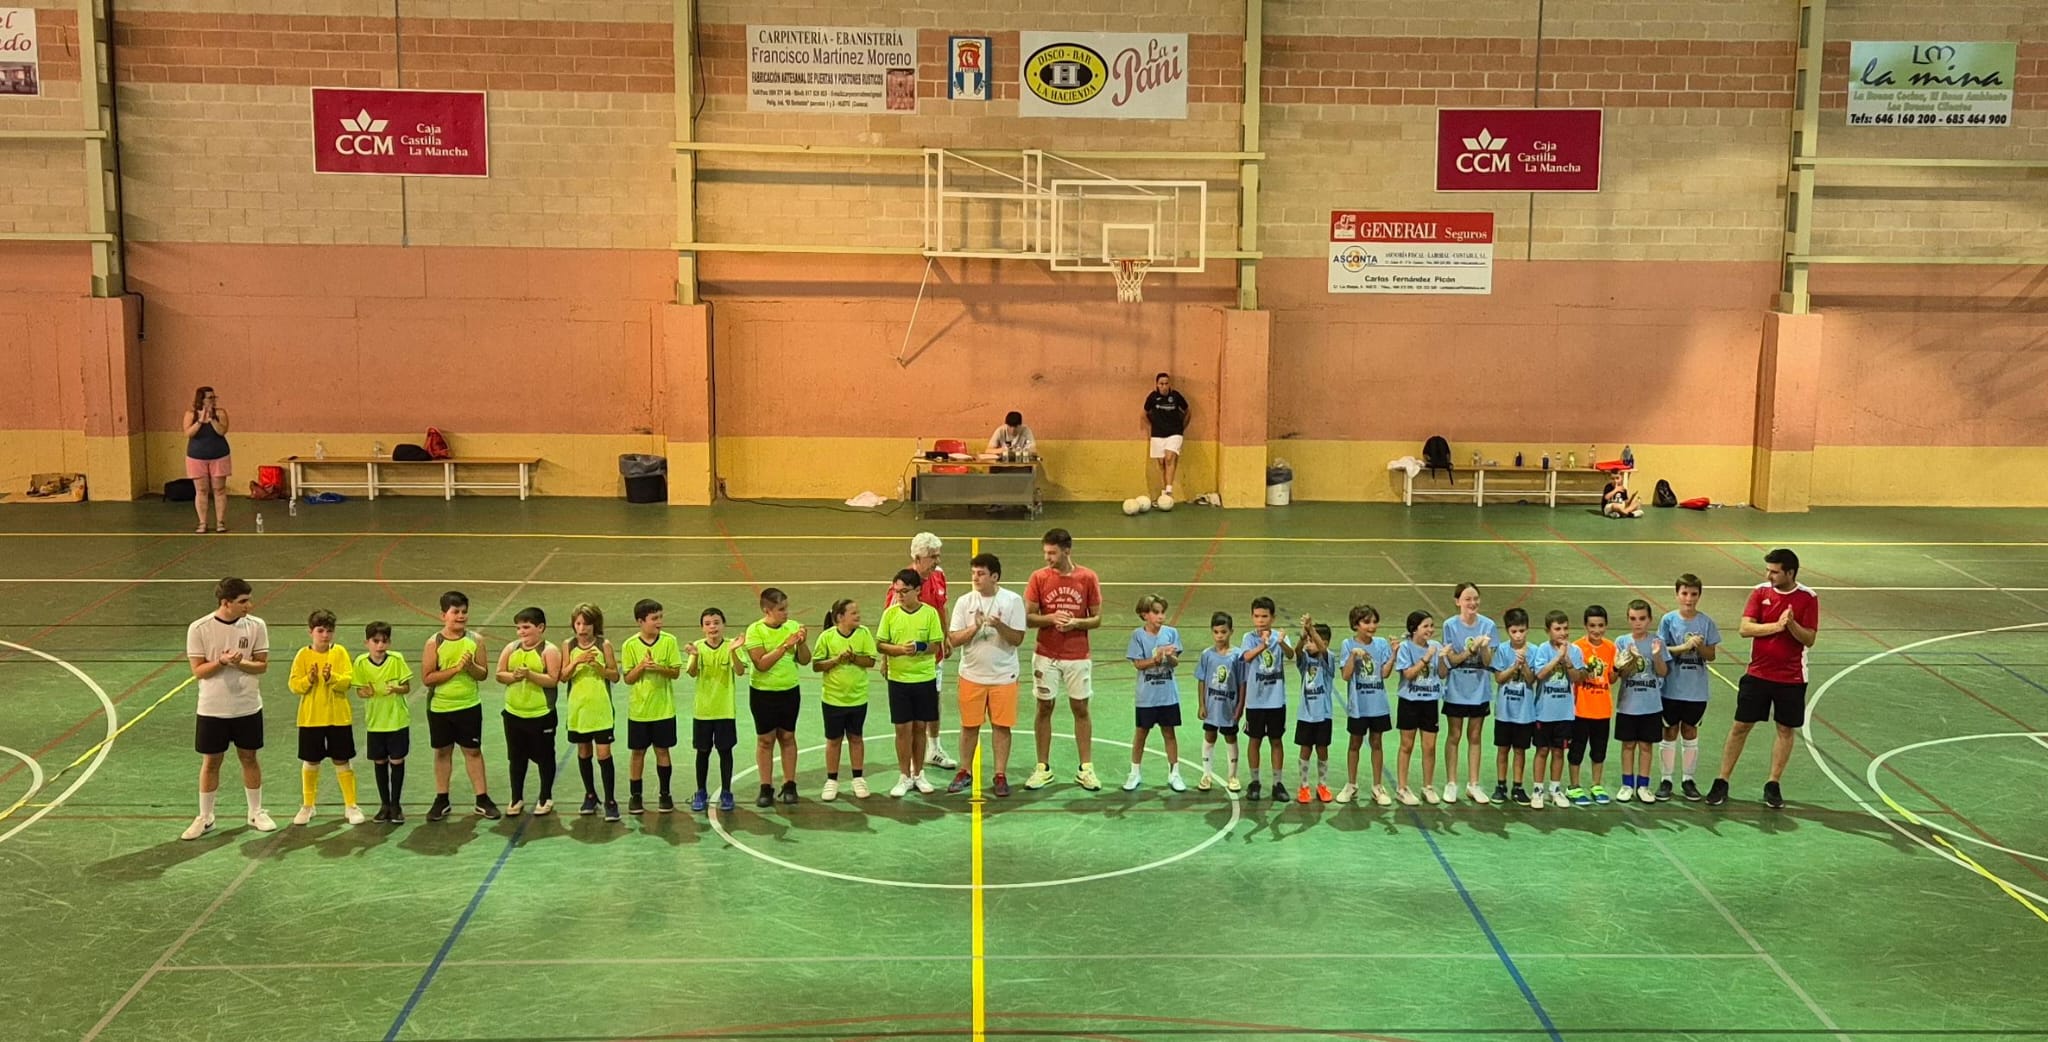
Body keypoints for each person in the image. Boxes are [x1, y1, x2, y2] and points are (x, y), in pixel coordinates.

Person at [1708, 548, 1819, 809]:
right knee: (1740, 726)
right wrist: (1777, 626)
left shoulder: (1808, 598)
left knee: (1785, 729)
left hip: (1792, 677)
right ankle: (1722, 780)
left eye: (1774, 572)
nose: (1768, 575)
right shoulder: (1760, 592)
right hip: (1757, 674)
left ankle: (1773, 783)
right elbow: (1745, 628)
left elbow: (1809, 639)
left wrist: (1791, 625)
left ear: (1790, 572)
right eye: (1767, 570)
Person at [181, 577, 277, 839]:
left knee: (249, 758)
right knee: (211, 762)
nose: (249, 605)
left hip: (247, 707)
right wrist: (222, 661)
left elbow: (262, 665)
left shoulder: (256, 625)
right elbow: (198, 671)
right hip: (212, 709)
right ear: (226, 603)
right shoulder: (199, 628)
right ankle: (205, 817)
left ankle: (255, 812)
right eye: (243, 601)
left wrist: (240, 663)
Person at [1024, 528, 1103, 791]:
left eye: (1052, 553)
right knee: (1044, 707)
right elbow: (1029, 618)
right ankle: (1042, 768)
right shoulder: (1038, 577)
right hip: (1045, 654)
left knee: (1080, 708)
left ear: (1067, 550)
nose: (1047, 558)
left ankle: (1086, 768)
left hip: (1077, 656)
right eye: (1045, 552)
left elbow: (1097, 618)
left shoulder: (1088, 577)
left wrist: (1076, 623)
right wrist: (1051, 618)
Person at [946, 553, 1028, 797]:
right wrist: (975, 626)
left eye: (980, 574)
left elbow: (1018, 639)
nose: (975, 578)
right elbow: (954, 639)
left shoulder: (1012, 601)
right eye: (973, 573)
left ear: (995, 576)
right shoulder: (964, 602)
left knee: (1001, 727)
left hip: (1004, 676)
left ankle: (1000, 774)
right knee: (969, 726)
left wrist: (998, 625)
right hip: (971, 675)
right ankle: (964, 771)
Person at [421, 591, 500, 821]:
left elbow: (483, 674)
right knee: (442, 752)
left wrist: (470, 667)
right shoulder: (434, 643)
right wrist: (455, 669)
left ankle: (482, 799)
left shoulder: (476, 640)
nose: (461, 616)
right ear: (443, 615)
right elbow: (427, 678)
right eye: (455, 612)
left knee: (473, 751)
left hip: (469, 705)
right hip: (441, 708)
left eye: (464, 612)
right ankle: (442, 799)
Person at [287, 609, 363, 826]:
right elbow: (294, 685)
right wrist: (309, 680)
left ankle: (351, 805)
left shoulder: (340, 652)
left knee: (342, 760)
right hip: (311, 718)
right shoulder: (302, 655)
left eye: (329, 631)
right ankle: (308, 805)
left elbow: (348, 681)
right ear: (310, 631)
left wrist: (332, 678)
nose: (325, 635)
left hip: (338, 717)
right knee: (311, 760)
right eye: (320, 630)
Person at [878, 570, 945, 798]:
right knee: (902, 729)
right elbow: (880, 644)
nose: (899, 595)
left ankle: (919, 774)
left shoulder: (930, 613)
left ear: (918, 590)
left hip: (924, 678)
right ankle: (904, 775)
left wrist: (919, 647)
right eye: (897, 591)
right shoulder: (890, 614)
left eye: (904, 591)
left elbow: (935, 645)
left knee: (919, 727)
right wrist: (899, 650)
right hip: (899, 680)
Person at [1655, 574, 1722, 801]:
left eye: (1693, 594)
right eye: (1684, 593)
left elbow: (1711, 655)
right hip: (1671, 688)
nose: (1689, 599)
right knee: (1669, 730)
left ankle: (1688, 779)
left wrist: (1699, 646)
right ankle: (1666, 779)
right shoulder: (1668, 620)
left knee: (1690, 731)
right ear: (1677, 595)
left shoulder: (1706, 622)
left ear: (1699, 596)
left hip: (1696, 690)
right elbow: (1662, 650)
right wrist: (1684, 646)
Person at [745, 588, 810, 807]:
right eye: (781, 609)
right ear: (767, 610)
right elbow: (761, 664)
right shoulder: (755, 631)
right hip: (763, 693)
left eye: (786, 608)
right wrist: (785, 646)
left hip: (789, 691)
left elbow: (804, 660)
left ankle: (790, 784)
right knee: (765, 740)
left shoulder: (792, 627)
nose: (786, 613)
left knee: (788, 737)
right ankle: (766, 786)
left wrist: (802, 643)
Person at [495, 607, 561, 817]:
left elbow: (553, 680)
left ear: (540, 627)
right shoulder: (511, 648)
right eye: (518, 628)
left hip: (541, 715)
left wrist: (530, 675)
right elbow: (499, 674)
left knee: (545, 758)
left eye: (526, 627)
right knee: (516, 758)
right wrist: (514, 676)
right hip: (514, 714)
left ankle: (545, 796)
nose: (521, 632)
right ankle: (516, 797)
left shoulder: (549, 651)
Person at [621, 599, 685, 814]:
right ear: (640, 621)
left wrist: (658, 667)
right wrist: (641, 666)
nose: (659, 622)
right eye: (654, 618)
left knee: (662, 751)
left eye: (660, 617)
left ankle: (665, 794)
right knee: (637, 753)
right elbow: (628, 679)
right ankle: (635, 796)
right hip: (639, 711)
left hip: (663, 709)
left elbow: (675, 673)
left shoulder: (669, 641)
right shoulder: (630, 645)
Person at [813, 598, 878, 801]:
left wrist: (853, 658)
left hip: (858, 698)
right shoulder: (827, 637)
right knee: (834, 740)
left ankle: (858, 778)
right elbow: (816, 665)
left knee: (856, 738)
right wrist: (836, 660)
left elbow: (870, 661)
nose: (858, 616)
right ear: (840, 617)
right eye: (853, 613)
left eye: (858, 612)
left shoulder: (864, 634)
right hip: (833, 699)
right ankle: (832, 780)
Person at [1439, 583, 1497, 805]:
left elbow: (1489, 663)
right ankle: (1451, 783)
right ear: (1458, 602)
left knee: (1475, 736)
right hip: (1456, 689)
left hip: (1479, 690)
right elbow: (1452, 660)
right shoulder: (1450, 625)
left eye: (1475, 599)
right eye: (1467, 599)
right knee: (1454, 735)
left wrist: (1484, 648)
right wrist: (1471, 649)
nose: (1472, 603)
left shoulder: (1488, 625)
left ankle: (1473, 784)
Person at [563, 603, 621, 821]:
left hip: (601, 708)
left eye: (586, 624)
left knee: (603, 754)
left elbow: (615, 676)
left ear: (595, 624)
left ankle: (610, 800)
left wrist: (600, 668)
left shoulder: (604, 645)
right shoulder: (568, 646)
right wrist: (576, 662)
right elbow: (563, 676)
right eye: (578, 623)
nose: (582, 628)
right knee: (584, 751)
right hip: (578, 709)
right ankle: (590, 795)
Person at [1123, 594, 1186, 792]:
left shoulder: (1171, 633)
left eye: (1162, 612)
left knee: (1169, 733)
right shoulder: (1138, 636)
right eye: (1156, 612)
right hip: (1146, 697)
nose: (1161, 616)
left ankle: (1174, 773)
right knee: (1141, 734)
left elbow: (1175, 662)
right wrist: (1156, 659)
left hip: (1167, 695)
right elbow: (1138, 664)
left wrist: (1169, 656)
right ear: (1144, 615)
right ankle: (1135, 772)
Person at [353, 620, 414, 824]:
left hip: (397, 720)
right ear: (367, 642)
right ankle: (384, 804)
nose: (380, 645)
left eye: (384, 641)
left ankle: (396, 805)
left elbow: (407, 687)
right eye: (376, 641)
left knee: (396, 761)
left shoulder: (396, 659)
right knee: (379, 761)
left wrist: (397, 689)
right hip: (375, 721)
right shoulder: (361, 662)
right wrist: (366, 692)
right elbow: (359, 690)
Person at [688, 607, 746, 813]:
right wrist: (695, 656)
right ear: (702, 628)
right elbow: (691, 672)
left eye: (716, 622)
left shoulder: (731, 645)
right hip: (703, 711)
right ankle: (700, 791)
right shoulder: (697, 646)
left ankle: (727, 792)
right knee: (702, 752)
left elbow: (740, 671)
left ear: (724, 625)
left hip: (725, 710)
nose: (712, 627)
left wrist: (733, 652)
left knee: (725, 752)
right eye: (708, 624)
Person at [1236, 597, 1293, 803]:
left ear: (1272, 618)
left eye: (1265, 616)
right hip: (1255, 701)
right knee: (1255, 740)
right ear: (1252, 617)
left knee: (1276, 741)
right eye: (1257, 616)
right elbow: (1246, 657)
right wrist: (1263, 645)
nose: (1260, 620)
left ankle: (1278, 783)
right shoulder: (1249, 638)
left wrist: (1281, 643)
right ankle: (1255, 781)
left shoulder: (1280, 636)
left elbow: (1290, 655)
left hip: (1276, 700)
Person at [1612, 600, 1669, 803]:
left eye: (1642, 618)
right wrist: (1632, 660)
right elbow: (1621, 674)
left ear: (1649, 619)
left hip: (1651, 705)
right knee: (1628, 745)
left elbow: (1663, 672)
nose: (1638, 623)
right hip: (1628, 704)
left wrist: (1656, 656)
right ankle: (1627, 785)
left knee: (1646, 746)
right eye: (1633, 618)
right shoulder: (1622, 641)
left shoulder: (1657, 642)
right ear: (1628, 619)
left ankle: (1643, 786)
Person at [1528, 611, 1585, 809]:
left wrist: (1567, 661)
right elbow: (1540, 674)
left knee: (1559, 752)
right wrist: (1557, 658)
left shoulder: (1575, 651)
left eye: (1565, 628)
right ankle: (1537, 790)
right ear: (1548, 631)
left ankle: (1555, 789)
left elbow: (1577, 678)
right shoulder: (1542, 650)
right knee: (1542, 750)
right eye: (1557, 629)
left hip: (1565, 712)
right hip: (1544, 712)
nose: (1562, 632)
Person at [1337, 605, 1393, 806]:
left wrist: (1394, 654)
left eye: (1374, 622)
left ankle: (1377, 786)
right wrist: (1353, 656)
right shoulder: (1347, 644)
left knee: (1377, 743)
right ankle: (1351, 785)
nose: (1372, 626)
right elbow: (1345, 676)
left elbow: (1384, 673)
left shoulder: (1381, 643)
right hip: (1358, 706)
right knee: (1355, 743)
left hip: (1378, 705)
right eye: (1366, 622)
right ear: (1356, 624)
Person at [1393, 610, 1447, 805]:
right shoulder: (1405, 648)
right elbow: (1408, 674)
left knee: (1430, 746)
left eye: (1431, 626)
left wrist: (1442, 657)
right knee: (1406, 745)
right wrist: (1426, 657)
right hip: (1409, 702)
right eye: (1425, 626)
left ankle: (1428, 786)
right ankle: (1402, 788)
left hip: (1430, 702)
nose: (1430, 630)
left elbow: (1442, 674)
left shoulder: (1435, 646)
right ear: (1414, 629)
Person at [1568, 605, 1617, 807]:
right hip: (1581, 709)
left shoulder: (1611, 647)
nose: (1597, 630)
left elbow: (1612, 678)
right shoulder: (1576, 648)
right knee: (1577, 750)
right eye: (1592, 626)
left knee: (1599, 751)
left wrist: (1621, 667)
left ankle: (1596, 785)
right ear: (1585, 626)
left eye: (1600, 625)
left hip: (1602, 709)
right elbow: (1574, 677)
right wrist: (1584, 672)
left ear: (1606, 625)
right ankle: (1574, 786)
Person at [1489, 608, 1539, 807]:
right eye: (1514, 631)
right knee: (1503, 749)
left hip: (1524, 713)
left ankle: (1518, 786)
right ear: (1507, 631)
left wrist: (1524, 664)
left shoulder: (1534, 651)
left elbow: (1531, 679)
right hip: (1504, 711)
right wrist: (1513, 667)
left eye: (1522, 631)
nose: (1518, 635)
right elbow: (1499, 678)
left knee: (1520, 750)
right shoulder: (1502, 650)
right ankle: (1501, 785)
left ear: (1527, 629)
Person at [1196, 612, 1245, 794]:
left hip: (1229, 708)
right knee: (1209, 737)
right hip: (1211, 707)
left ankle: (1232, 776)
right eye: (1216, 632)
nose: (1219, 636)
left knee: (1230, 738)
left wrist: (1240, 706)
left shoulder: (1238, 656)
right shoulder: (1207, 655)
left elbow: (1242, 683)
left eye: (1223, 632)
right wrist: (1202, 704)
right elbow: (1202, 680)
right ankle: (1206, 775)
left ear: (1231, 631)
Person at [1293, 619, 1336, 804]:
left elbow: (1323, 650)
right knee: (1305, 749)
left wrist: (1311, 630)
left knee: (1322, 749)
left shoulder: (1328, 658)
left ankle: (1322, 785)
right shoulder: (1305, 659)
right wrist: (1303, 638)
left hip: (1323, 714)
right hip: (1305, 714)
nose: (1309, 645)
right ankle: (1303, 786)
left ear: (1324, 642)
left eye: (1313, 641)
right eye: (1308, 641)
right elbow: (1296, 651)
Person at [181, 385, 233, 533]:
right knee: (201, 490)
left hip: (219, 455)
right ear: (201, 399)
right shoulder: (190, 414)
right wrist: (200, 421)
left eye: (214, 397)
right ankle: (202, 523)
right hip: (196, 457)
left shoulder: (220, 413)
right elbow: (188, 433)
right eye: (210, 398)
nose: (213, 400)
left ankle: (220, 522)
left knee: (219, 489)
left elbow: (222, 431)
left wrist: (212, 420)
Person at [1142, 372, 1190, 497]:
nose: (1164, 386)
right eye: (1161, 384)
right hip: (1158, 434)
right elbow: (1144, 414)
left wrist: (1182, 427)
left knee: (1169, 458)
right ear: (1157, 385)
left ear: (1169, 384)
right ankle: (1164, 492)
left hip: (1174, 433)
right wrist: (1152, 426)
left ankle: (1169, 490)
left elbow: (1188, 411)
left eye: (1166, 383)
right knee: (1161, 462)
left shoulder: (1176, 396)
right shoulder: (1152, 397)